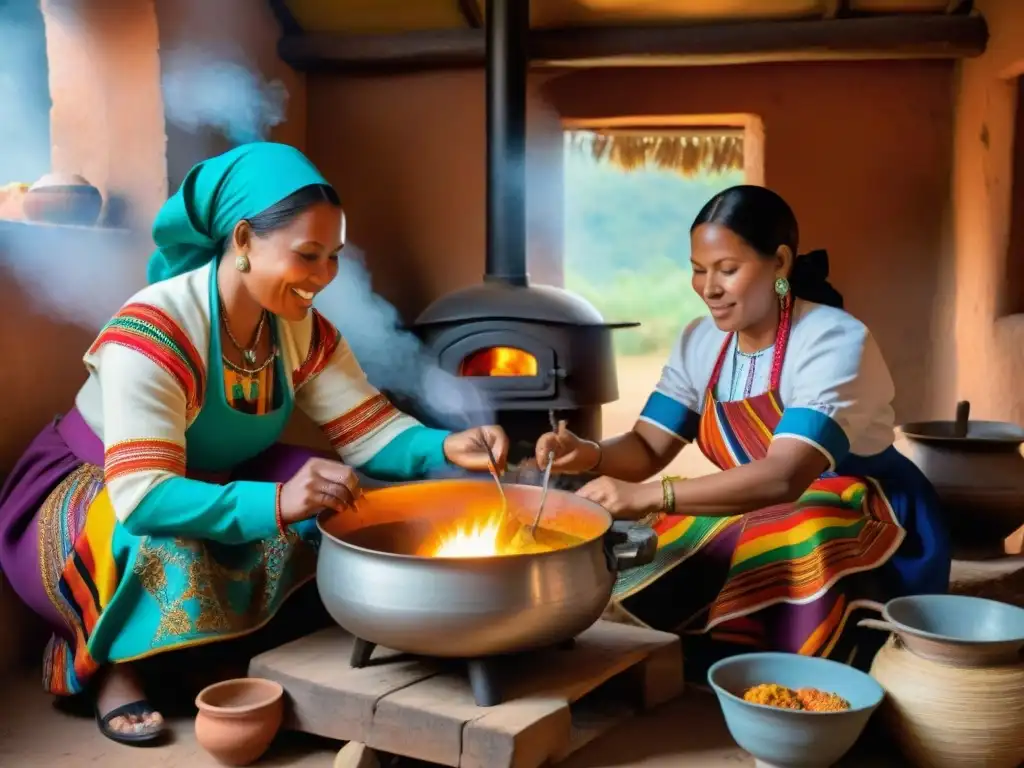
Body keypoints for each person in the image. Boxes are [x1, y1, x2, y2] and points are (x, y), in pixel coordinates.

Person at [0, 142, 509, 745]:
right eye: (308, 255)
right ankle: (118, 668)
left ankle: (213, 646)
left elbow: (368, 433)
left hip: (208, 477)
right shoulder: (154, 330)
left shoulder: (298, 327)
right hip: (99, 492)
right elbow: (142, 495)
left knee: (336, 500)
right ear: (242, 240)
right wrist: (277, 504)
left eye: (334, 257)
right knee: (171, 542)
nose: (323, 277)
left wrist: (448, 448)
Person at [535, 184, 950, 673]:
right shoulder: (700, 342)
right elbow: (648, 446)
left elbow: (784, 478)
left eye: (727, 270)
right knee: (667, 530)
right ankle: (710, 659)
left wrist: (650, 495)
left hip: (863, 512)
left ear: (779, 263)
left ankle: (795, 669)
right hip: (759, 504)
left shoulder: (833, 340)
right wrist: (586, 454)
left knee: (782, 528)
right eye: (697, 269)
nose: (708, 288)